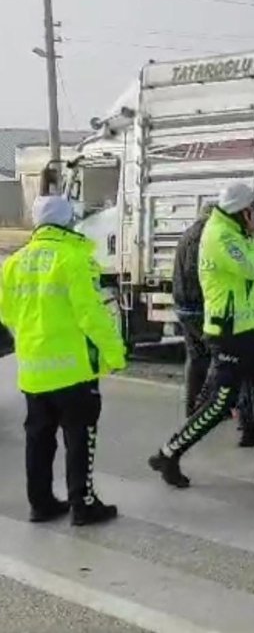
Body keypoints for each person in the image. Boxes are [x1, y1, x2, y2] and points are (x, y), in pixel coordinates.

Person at [149, 182, 254, 487]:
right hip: (230, 332)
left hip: (250, 329)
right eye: (253, 212)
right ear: (244, 211)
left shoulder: (233, 231)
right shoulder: (220, 235)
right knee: (218, 404)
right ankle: (170, 452)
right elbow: (253, 268)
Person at [0, 196, 125, 526]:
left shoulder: (14, 262)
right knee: (79, 436)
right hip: (73, 369)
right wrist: (114, 353)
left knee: (38, 438)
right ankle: (83, 504)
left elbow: (6, 313)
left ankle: (40, 504)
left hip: (33, 370)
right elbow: (92, 314)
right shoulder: (74, 258)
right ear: (67, 221)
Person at [172, 204, 214, 417]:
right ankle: (208, 405)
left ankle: (191, 406)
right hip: (197, 306)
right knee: (215, 355)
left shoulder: (188, 233)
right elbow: (195, 272)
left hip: (184, 305)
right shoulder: (203, 236)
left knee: (196, 356)